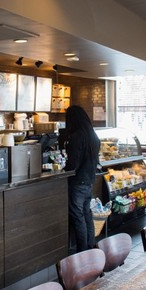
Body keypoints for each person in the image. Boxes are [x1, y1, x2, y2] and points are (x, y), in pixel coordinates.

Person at [63, 105, 101, 253]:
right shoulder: (93, 135)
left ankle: (82, 251)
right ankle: (90, 247)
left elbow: (73, 164)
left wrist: (63, 170)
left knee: (78, 217)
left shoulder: (77, 137)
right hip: (89, 180)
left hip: (78, 182)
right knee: (86, 214)